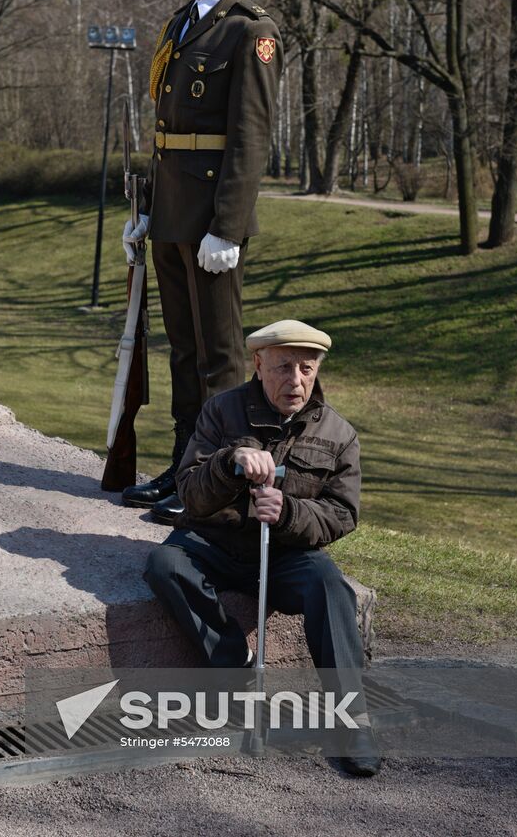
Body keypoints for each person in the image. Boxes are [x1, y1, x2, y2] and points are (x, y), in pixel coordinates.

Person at [143, 319, 382, 777]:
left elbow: (343, 513)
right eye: (284, 367)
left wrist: (289, 511)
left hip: (286, 553)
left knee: (332, 587)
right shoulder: (221, 412)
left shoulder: (338, 434)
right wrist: (228, 463)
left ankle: (352, 721)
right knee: (164, 563)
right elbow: (189, 492)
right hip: (212, 541)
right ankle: (236, 667)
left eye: (306, 369)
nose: (295, 380)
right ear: (258, 363)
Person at [121, 0, 283, 524]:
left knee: (218, 357)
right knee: (183, 351)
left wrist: (229, 227)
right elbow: (163, 133)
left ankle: (216, 486)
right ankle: (184, 469)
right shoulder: (182, 24)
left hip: (213, 221)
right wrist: (144, 208)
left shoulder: (251, 31)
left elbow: (249, 137)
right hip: (170, 214)